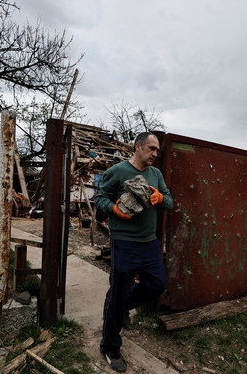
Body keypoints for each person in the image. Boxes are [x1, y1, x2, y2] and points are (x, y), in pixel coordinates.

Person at [95, 132, 173, 372]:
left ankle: (117, 305)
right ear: (137, 147)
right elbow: (100, 200)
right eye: (151, 149)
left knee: (157, 284)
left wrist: (160, 198)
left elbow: (170, 202)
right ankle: (110, 346)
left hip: (149, 242)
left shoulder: (156, 174)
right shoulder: (118, 172)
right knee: (119, 292)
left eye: (157, 150)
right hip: (124, 241)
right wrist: (114, 210)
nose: (155, 154)